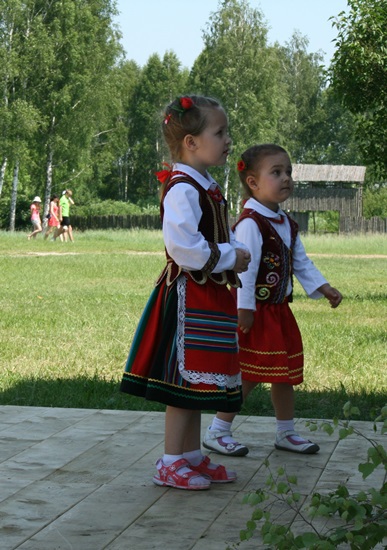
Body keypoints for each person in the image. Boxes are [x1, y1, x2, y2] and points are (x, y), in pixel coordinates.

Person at [120, 95, 251, 490]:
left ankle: (191, 456)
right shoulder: (182, 187)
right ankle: (170, 461)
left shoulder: (203, 184)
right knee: (183, 382)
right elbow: (184, 247)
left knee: (200, 380)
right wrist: (230, 255)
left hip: (206, 296)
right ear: (191, 142)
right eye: (219, 132)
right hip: (187, 298)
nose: (228, 140)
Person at [203, 144, 343, 457]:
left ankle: (286, 432)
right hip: (254, 312)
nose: (286, 178)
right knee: (249, 373)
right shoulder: (252, 223)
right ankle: (218, 430)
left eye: (288, 172)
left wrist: (324, 287)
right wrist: (245, 310)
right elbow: (246, 271)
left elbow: (302, 263)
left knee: (283, 373)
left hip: (279, 312)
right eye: (276, 172)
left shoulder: (287, 223)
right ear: (252, 183)